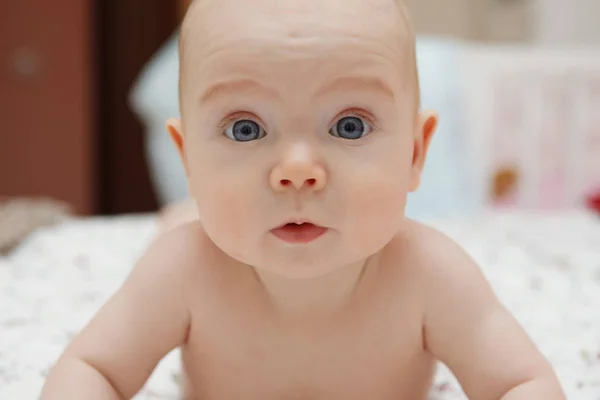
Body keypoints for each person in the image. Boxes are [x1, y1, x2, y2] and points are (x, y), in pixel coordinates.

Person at [41, 0, 565, 398]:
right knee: (180, 230)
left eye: (349, 125)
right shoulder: (182, 270)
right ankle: (177, 214)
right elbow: (94, 370)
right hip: (191, 236)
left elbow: (520, 382)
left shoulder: (431, 274)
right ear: (188, 161)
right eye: (245, 129)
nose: (296, 172)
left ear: (413, 153)